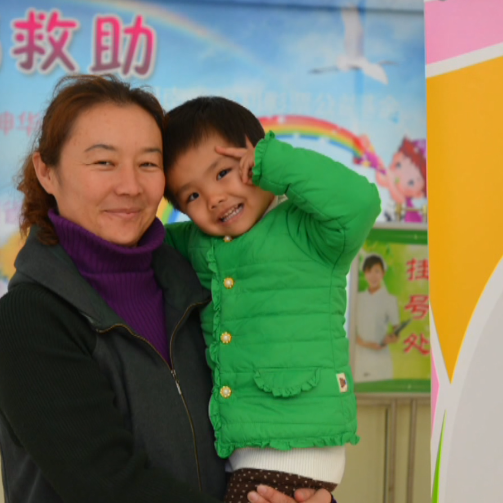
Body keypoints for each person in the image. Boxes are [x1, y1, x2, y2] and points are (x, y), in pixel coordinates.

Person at [0, 75, 336, 503]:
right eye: (104, 162)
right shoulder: (29, 319)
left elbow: (266, 422)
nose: (131, 186)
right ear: (46, 171)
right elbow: (107, 485)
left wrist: (299, 494)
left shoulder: (200, 282)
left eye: (149, 164)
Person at [161, 97, 381, 502]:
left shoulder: (309, 231)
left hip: (295, 444)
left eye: (224, 172)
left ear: (255, 159)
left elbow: (360, 203)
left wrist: (274, 162)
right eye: (191, 196)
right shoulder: (196, 244)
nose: (214, 199)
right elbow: (145, 245)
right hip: (245, 448)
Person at [353, 255, 401, 383]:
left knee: (381, 390)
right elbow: (351, 329)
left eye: (377, 271)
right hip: (359, 356)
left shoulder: (390, 300)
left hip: (381, 357)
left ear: (383, 273)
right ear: (364, 273)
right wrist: (365, 344)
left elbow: (396, 333)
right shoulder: (358, 298)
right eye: (369, 271)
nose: (373, 276)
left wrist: (391, 338)